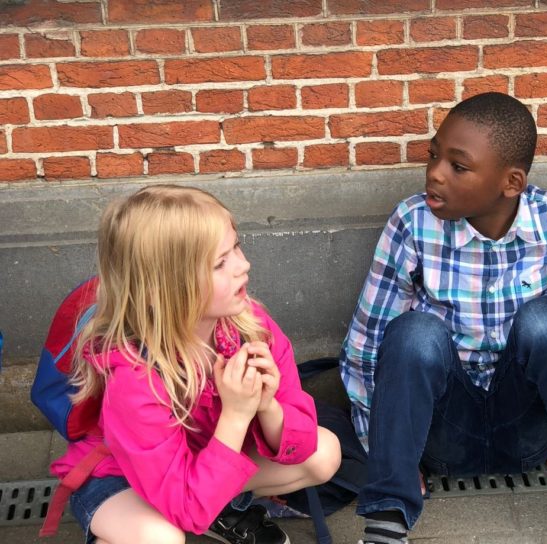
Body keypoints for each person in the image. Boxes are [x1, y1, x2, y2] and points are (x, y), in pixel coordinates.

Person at [339, 92, 547, 544]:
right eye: (433, 156)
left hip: (532, 430)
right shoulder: (412, 222)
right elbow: (366, 347)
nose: (435, 173)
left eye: (458, 166)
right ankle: (386, 523)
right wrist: (386, 452)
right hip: (442, 434)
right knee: (412, 333)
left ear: (511, 182)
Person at [50, 185, 341, 544]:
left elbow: (300, 439)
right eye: (219, 263)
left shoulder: (251, 329)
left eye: (236, 246)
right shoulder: (135, 378)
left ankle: (217, 509)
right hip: (120, 479)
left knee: (323, 453)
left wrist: (268, 407)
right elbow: (184, 505)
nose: (243, 265)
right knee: (160, 537)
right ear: (163, 289)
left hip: (202, 461)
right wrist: (236, 414)